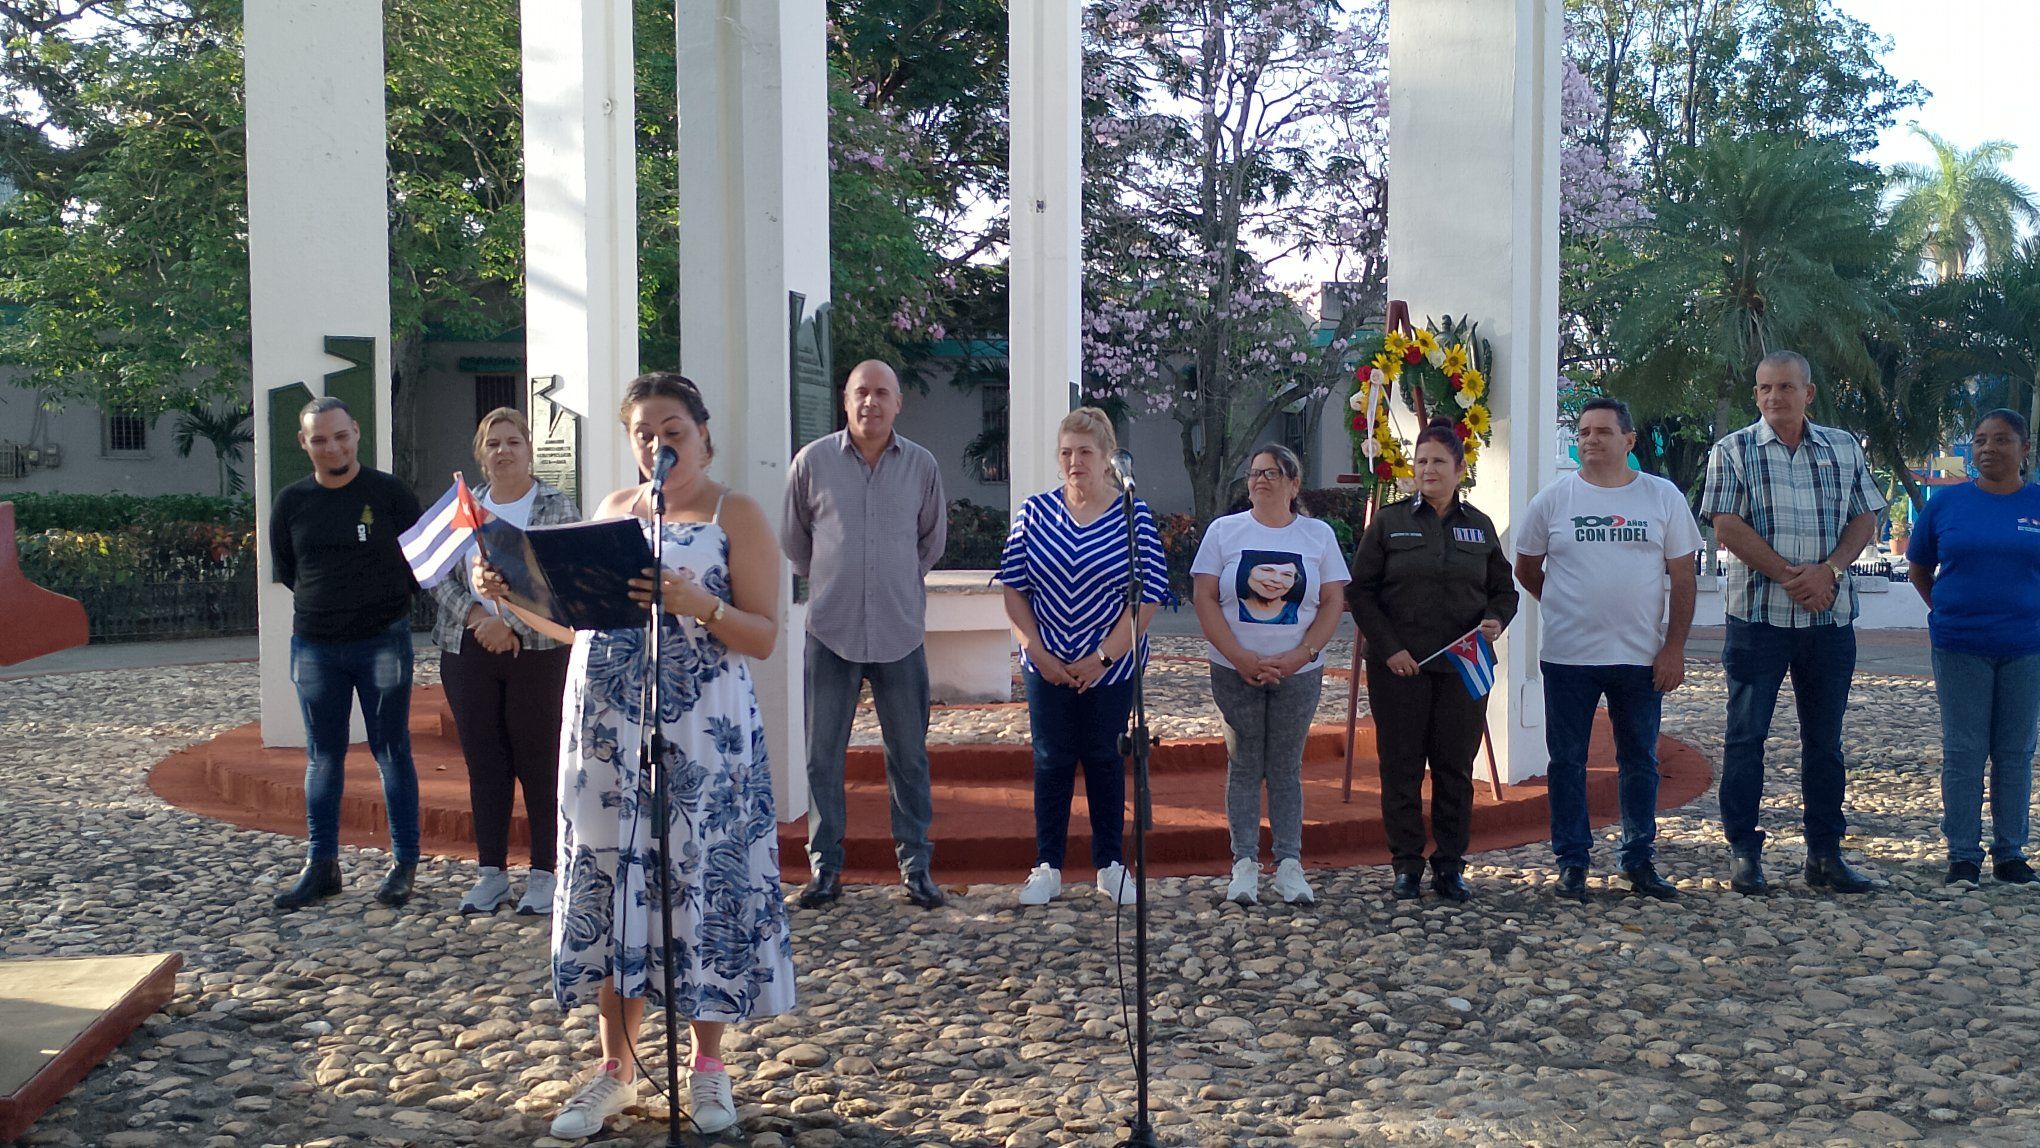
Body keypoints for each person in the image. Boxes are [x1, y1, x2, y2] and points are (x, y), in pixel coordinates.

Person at [474, 373, 793, 1138]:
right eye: (644, 432)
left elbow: (764, 635)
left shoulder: (734, 513)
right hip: (607, 732)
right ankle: (613, 1070)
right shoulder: (611, 513)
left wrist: (700, 604)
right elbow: (580, 629)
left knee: (697, 881)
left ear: (703, 433)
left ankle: (707, 1069)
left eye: (673, 428)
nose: (659, 443)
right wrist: (511, 597)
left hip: (700, 737)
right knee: (615, 885)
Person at [1700, 350, 1884, 895]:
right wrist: (1789, 576)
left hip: (1830, 620)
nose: (1774, 398)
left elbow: (1865, 514)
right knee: (1746, 737)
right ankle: (1743, 854)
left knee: (1825, 742)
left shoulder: (1844, 447)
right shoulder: (1731, 451)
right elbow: (1727, 526)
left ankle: (1824, 855)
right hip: (1759, 619)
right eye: (1764, 390)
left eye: (1785, 387)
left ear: (1809, 392)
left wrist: (1828, 570)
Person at [1514, 397, 1699, 903]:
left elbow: (1683, 577)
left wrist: (1674, 647)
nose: (1590, 439)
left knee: (1639, 759)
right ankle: (1572, 861)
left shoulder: (1661, 498)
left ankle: (1639, 859)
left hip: (1640, 659)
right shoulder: (1552, 501)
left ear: (1629, 441)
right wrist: (1568, 604)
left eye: (1602, 431)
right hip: (1568, 658)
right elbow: (1527, 568)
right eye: (1582, 432)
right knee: (1567, 762)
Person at [781, 360, 948, 911]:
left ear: (898, 403)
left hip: (900, 629)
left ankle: (916, 867)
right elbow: (797, 543)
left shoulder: (921, 466)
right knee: (821, 756)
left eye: (881, 393)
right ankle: (825, 869)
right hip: (831, 629)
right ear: (845, 401)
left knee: (908, 755)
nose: (870, 403)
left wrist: (891, 581)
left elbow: (930, 543)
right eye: (860, 393)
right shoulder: (812, 463)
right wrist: (840, 578)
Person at [998, 408, 1167, 907]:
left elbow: (1149, 595)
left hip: (1111, 667)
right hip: (1046, 663)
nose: (1075, 462)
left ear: (1108, 458)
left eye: (1086, 452)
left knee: (1104, 760)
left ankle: (1110, 864)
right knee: (1051, 762)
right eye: (1066, 452)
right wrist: (1036, 651)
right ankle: (1047, 865)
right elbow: (1013, 588)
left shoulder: (1133, 515)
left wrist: (1103, 658)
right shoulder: (1034, 513)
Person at [1349, 417, 1518, 902]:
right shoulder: (1389, 522)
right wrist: (1389, 648)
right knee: (1400, 767)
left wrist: (1495, 620)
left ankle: (1449, 863)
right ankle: (1406, 863)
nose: (1428, 469)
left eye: (1438, 461)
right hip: (1401, 668)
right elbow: (1360, 592)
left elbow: (1504, 591)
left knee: (1454, 769)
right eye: (1421, 460)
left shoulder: (1479, 527)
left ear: (1460, 469)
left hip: (1461, 670)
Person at [268, 397, 424, 912]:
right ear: (304, 443)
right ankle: (322, 865)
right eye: (319, 439)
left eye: (340, 435)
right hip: (314, 645)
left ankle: (404, 863)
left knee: (391, 751)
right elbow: (290, 569)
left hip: (382, 639)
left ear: (357, 432)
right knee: (323, 756)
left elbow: (418, 563)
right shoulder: (291, 502)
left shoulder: (390, 494)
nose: (331, 446)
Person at [429, 408, 580, 916]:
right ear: (481, 453)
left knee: (539, 764)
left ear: (529, 449)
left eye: (513, 441)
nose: (503, 451)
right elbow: (439, 579)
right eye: (493, 443)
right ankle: (490, 873)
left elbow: (561, 581)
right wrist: (479, 619)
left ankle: (544, 873)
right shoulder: (463, 508)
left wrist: (510, 625)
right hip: (470, 649)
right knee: (485, 765)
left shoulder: (557, 507)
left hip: (537, 654)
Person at [1191, 445, 1349, 906]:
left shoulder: (1317, 535)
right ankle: (1243, 862)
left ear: (1294, 484)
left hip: (1299, 671)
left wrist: (1303, 653)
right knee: (1243, 763)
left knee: (1285, 767)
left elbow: (1334, 601)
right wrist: (1237, 655)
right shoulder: (1224, 531)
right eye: (1255, 473)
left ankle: (1289, 864)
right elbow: (1203, 596)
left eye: (1273, 472)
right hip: (1233, 668)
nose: (1261, 480)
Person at [1906, 409, 2040, 887]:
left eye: (2001, 440)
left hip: (2026, 647)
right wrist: (1943, 610)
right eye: (1980, 440)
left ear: (2025, 448)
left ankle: (2010, 853)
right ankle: (1962, 854)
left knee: (2015, 752)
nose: (1987, 449)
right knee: (1964, 751)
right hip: (1960, 645)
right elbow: (1919, 567)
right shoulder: (1946, 506)